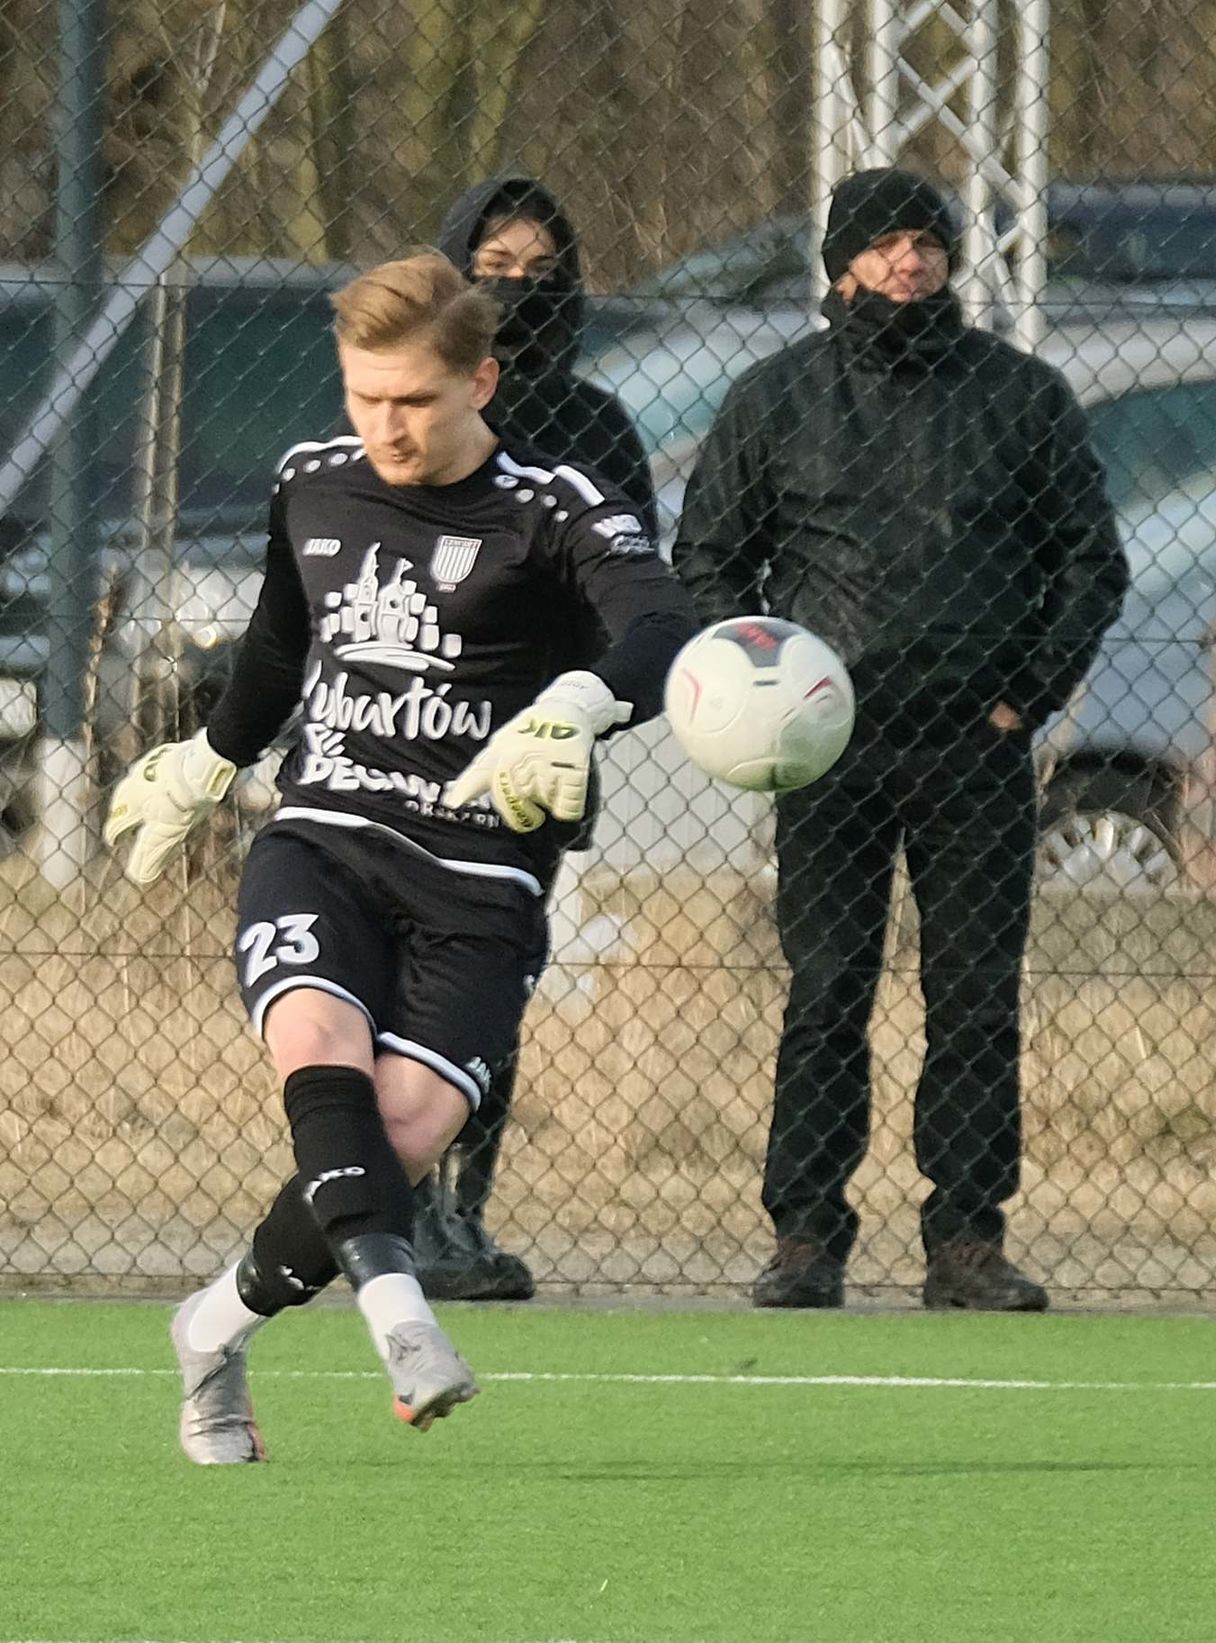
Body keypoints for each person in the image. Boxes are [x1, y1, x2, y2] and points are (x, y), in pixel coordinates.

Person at [105, 249, 695, 1463]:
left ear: (480, 379)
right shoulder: (312, 483)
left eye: (414, 400)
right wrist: (208, 759)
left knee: (404, 1128)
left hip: (481, 877)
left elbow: (661, 623)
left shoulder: (555, 508)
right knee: (316, 1047)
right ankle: (402, 1315)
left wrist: (581, 701)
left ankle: (208, 1329)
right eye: (364, 396)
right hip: (324, 838)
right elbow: (279, 641)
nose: (385, 425)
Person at [672, 167, 1128, 1312]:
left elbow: (1090, 563)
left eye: (926, 241)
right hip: (824, 749)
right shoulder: (773, 399)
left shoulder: (1022, 397)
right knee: (827, 987)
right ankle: (806, 1234)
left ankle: (968, 1236)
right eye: (881, 243)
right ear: (839, 263)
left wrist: (1024, 695)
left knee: (975, 993)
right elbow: (712, 560)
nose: (907, 262)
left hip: (975, 743)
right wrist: (755, 691)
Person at [409, 176, 657, 1302]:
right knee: (400, 967)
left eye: (541, 268)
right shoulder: (418, 399)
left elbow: (640, 587)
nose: (517, 285)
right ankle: (392, 1198)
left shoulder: (598, 422)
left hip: (541, 733)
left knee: (495, 970)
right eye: (494, 264)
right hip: (414, 723)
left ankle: (460, 1207)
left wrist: (592, 695)